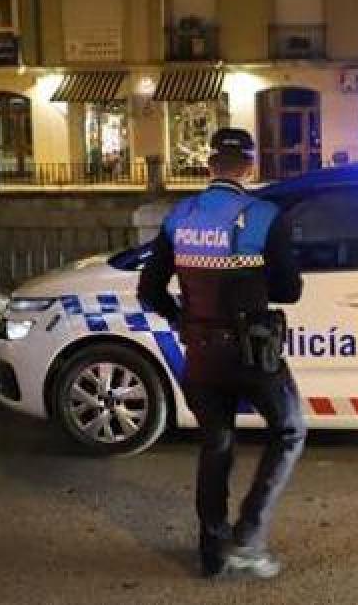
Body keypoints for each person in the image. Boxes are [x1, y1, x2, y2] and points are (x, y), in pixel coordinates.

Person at [137, 128, 305, 580]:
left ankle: (212, 554)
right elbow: (290, 290)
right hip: (252, 352)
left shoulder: (179, 216)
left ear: (210, 166)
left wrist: (183, 320)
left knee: (216, 444)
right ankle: (248, 539)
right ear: (249, 167)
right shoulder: (266, 215)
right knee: (289, 430)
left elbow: (149, 290)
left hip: (200, 355)